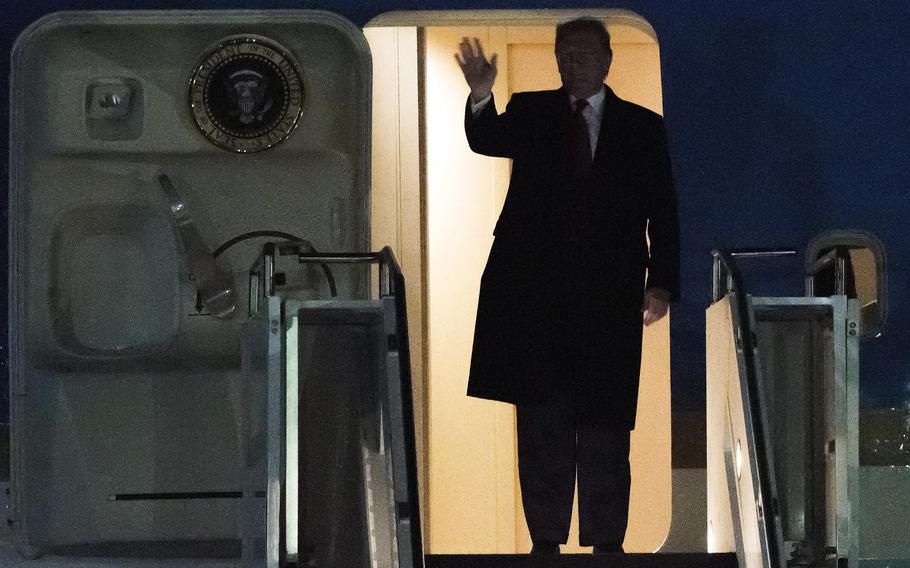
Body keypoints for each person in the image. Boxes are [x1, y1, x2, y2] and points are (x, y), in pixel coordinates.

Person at [454, 17, 680, 555]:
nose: (570, 63)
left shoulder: (642, 127)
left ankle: (607, 543)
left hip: (609, 299)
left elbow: (663, 210)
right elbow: (486, 139)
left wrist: (661, 284)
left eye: (581, 53)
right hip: (537, 301)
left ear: (606, 60)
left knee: (606, 427)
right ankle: (546, 539)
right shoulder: (532, 111)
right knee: (542, 424)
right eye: (563, 53)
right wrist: (482, 94)